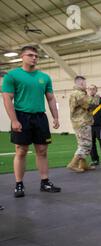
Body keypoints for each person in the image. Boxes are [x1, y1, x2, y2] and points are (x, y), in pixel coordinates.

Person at [2, 45, 61, 197]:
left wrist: (56, 116)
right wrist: (14, 120)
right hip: (22, 116)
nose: (34, 58)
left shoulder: (44, 77)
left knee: (42, 150)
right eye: (30, 55)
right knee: (21, 151)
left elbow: (51, 98)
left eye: (36, 56)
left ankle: (45, 182)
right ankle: (19, 184)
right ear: (22, 56)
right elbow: (7, 98)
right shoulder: (12, 75)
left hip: (40, 117)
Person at [67, 76, 95, 172]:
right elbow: (90, 104)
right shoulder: (79, 94)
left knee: (82, 143)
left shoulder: (74, 93)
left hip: (78, 122)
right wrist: (95, 96)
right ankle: (73, 163)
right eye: (85, 84)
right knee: (86, 144)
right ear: (81, 83)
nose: (86, 86)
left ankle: (83, 164)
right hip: (82, 121)